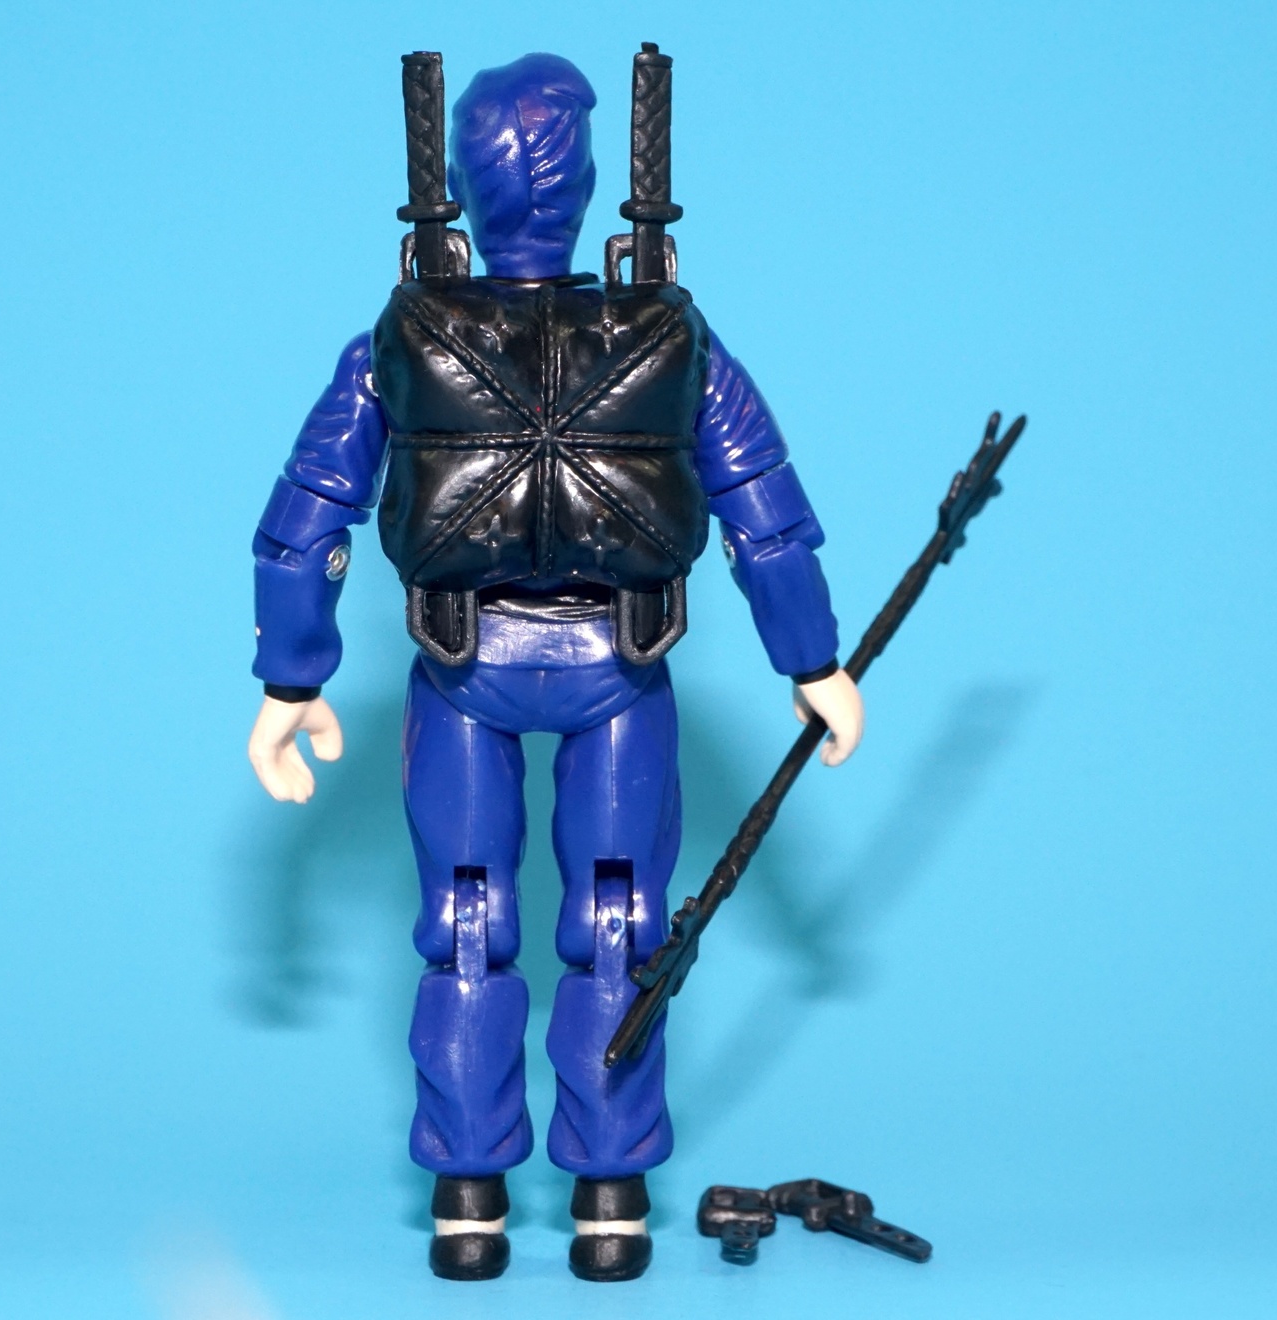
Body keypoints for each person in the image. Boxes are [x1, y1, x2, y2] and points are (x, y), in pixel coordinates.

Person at [245, 52, 863, 1283]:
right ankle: (609, 1197)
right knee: (619, 925)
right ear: (587, 192)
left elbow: (309, 513)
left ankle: (466, 1196)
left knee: (466, 926)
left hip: (461, 664)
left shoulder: (403, 337)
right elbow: (764, 511)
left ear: (461, 194)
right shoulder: (669, 333)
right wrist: (812, 657)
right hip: (616, 669)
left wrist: (290, 676)